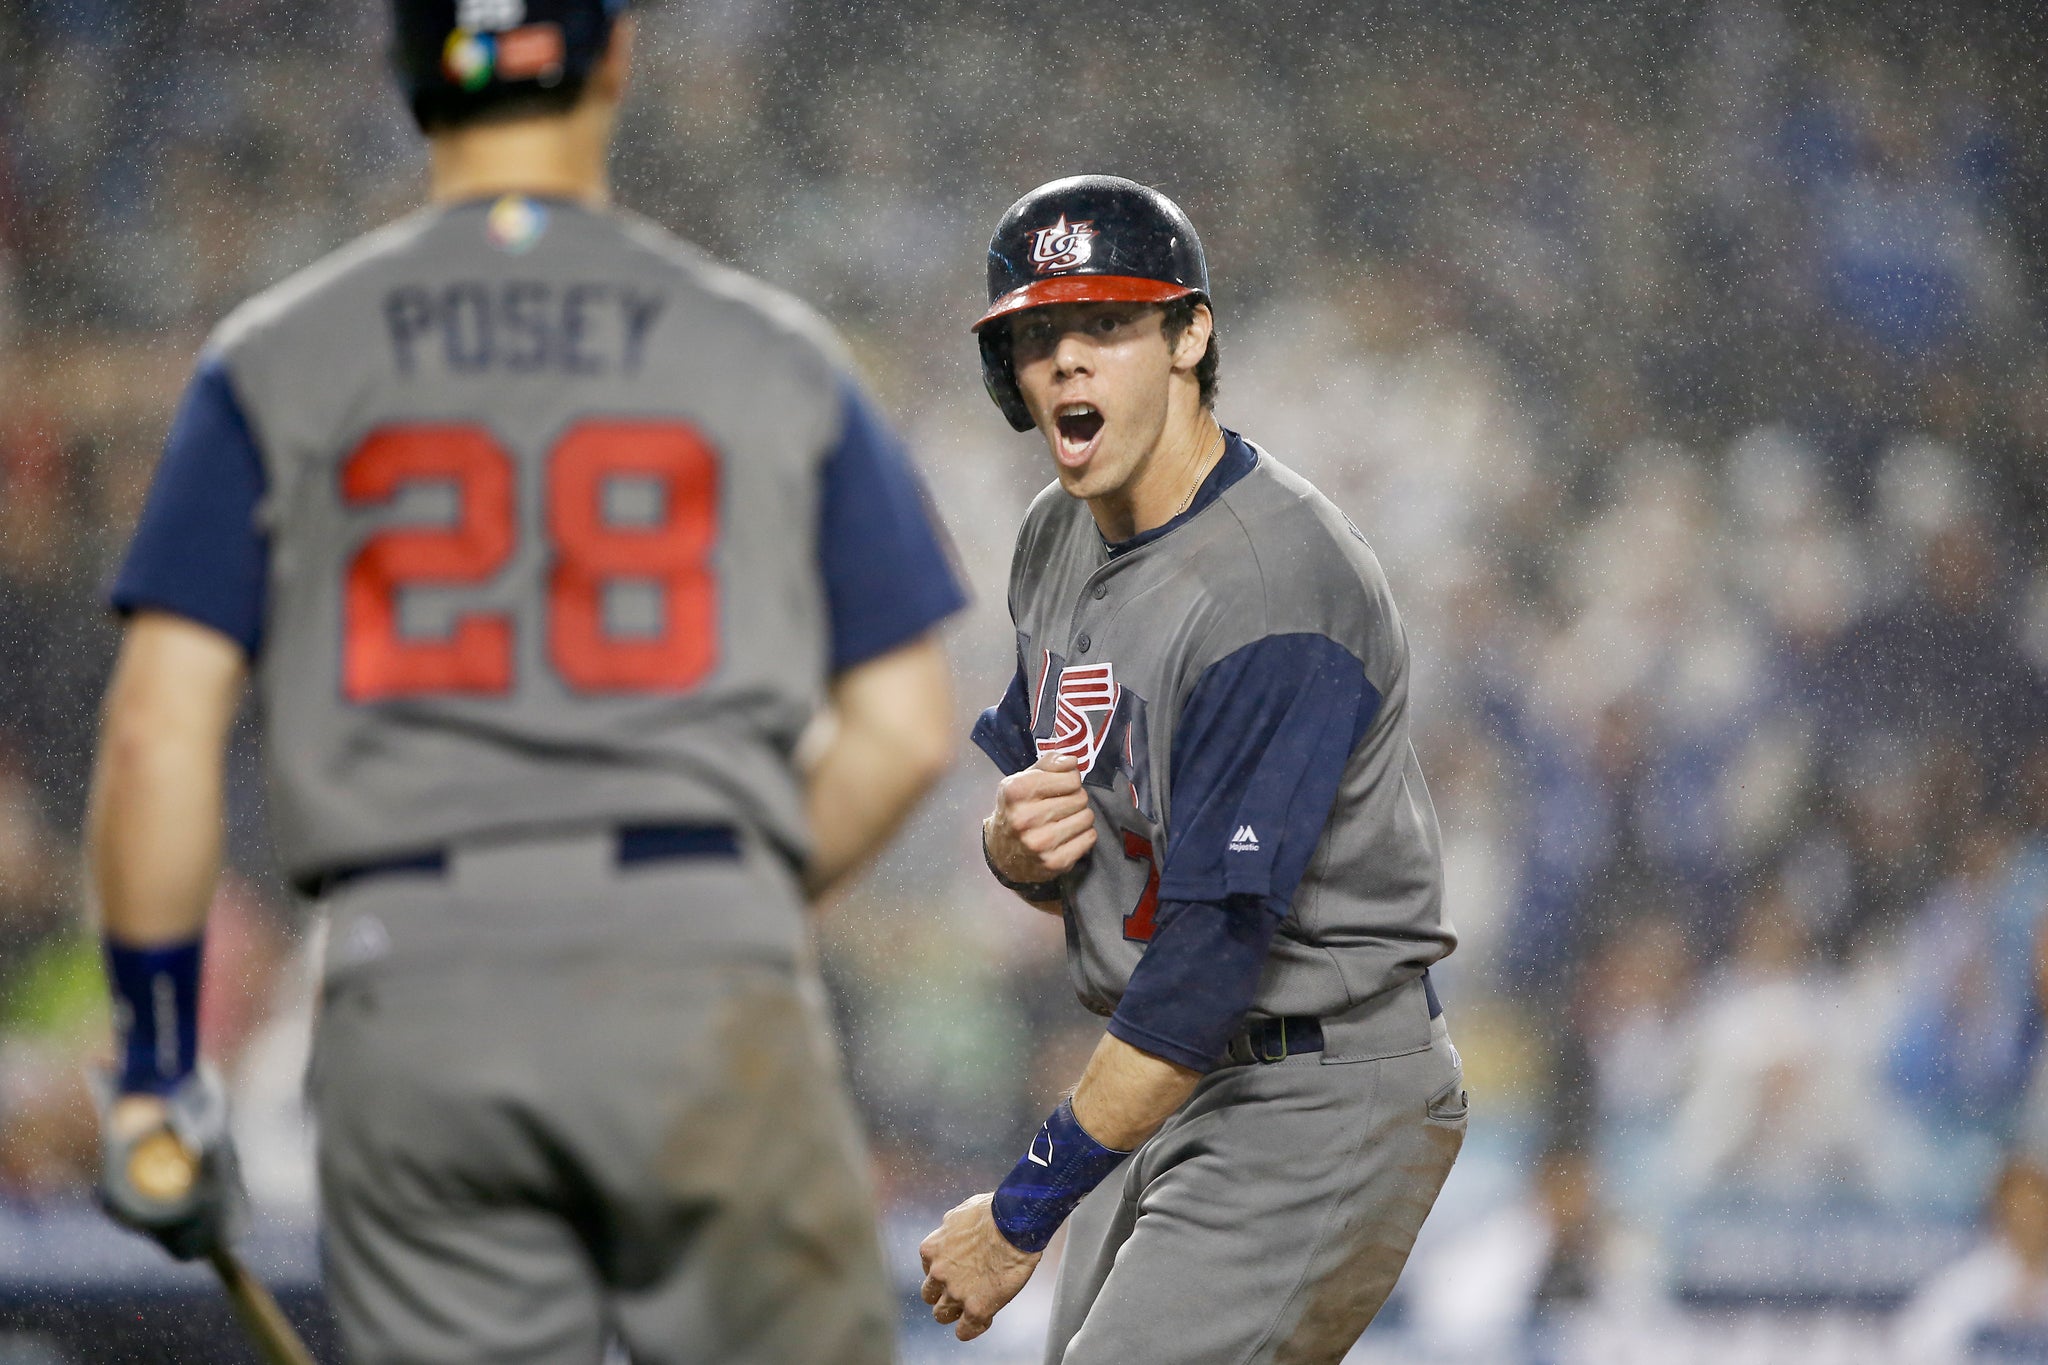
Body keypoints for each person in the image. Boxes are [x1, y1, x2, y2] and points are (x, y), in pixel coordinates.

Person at [87, 2, 966, 1361]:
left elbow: (155, 733)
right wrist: (729, 899)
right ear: (617, 56)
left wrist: (153, 1065)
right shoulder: (771, 348)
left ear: (404, 69)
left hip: (414, 976)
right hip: (701, 974)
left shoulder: (273, 358)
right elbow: (907, 730)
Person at [917, 174, 1465, 1363]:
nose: (1065, 363)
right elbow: (1056, 821)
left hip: (1311, 1087)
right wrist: (1005, 848)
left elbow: (1216, 955)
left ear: (1189, 335)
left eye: (1105, 325)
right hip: (1166, 1075)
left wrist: (1019, 1214)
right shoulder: (1056, 535)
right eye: (1036, 335)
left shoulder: (1274, 587)